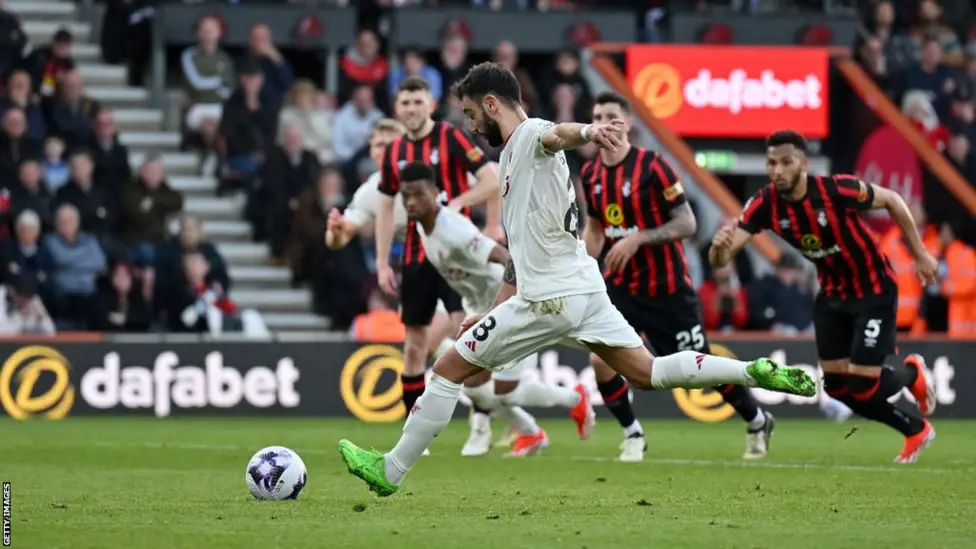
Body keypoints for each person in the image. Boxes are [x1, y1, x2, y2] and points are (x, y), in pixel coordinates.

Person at [337, 62, 816, 497]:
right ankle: (750, 371)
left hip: (549, 298)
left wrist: (588, 129)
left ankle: (392, 469)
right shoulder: (512, 159)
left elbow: (557, 134)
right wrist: (490, 310)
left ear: (490, 105)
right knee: (648, 373)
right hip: (585, 291)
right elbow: (516, 260)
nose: (468, 124)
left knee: (445, 372)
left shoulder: (526, 136)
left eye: (469, 112)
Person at [710, 129, 939, 464]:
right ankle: (915, 430)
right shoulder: (764, 204)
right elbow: (723, 257)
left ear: (802, 163)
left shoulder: (834, 190)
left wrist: (919, 253)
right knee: (838, 389)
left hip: (873, 288)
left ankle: (911, 375)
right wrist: (718, 249)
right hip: (832, 295)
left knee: (862, 387)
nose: (777, 170)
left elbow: (891, 199)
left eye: (786, 162)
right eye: (772, 163)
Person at [580, 92, 771, 462]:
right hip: (621, 287)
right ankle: (633, 434)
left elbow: (687, 223)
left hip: (668, 290)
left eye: (611, 116)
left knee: (700, 369)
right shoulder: (589, 174)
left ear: (628, 123)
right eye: (598, 116)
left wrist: (639, 238)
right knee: (600, 360)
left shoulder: (654, 166)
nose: (604, 122)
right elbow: (596, 229)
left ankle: (757, 419)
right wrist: (580, 261)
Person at [398, 161, 595, 457]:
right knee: (489, 389)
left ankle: (564, 406)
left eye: (419, 195)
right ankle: (538, 428)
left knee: (492, 389)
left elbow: (502, 255)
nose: (411, 202)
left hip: (508, 305)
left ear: (436, 193)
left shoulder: (453, 230)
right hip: (479, 306)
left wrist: (523, 291)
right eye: (405, 196)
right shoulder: (425, 229)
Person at [372, 76, 503, 422]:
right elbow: (385, 208)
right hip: (416, 257)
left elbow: (491, 179)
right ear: (397, 109)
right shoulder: (395, 153)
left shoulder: (451, 137)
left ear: (430, 105)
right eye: (405, 103)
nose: (412, 109)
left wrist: (459, 205)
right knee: (414, 347)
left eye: (418, 102)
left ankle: (482, 419)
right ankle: (415, 431)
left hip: (456, 257)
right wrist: (383, 262)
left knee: (469, 339)